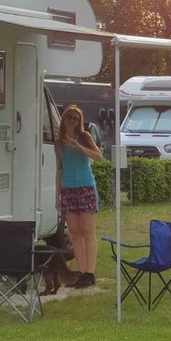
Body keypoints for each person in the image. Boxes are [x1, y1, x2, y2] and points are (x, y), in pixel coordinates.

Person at [55, 104, 102, 289]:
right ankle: (81, 272)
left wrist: (79, 147)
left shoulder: (84, 137)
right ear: (64, 120)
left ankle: (90, 272)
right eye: (69, 118)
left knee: (88, 232)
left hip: (85, 189)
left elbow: (98, 156)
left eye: (75, 119)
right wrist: (57, 194)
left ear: (79, 122)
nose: (72, 121)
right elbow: (59, 169)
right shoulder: (59, 143)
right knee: (75, 233)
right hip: (68, 190)